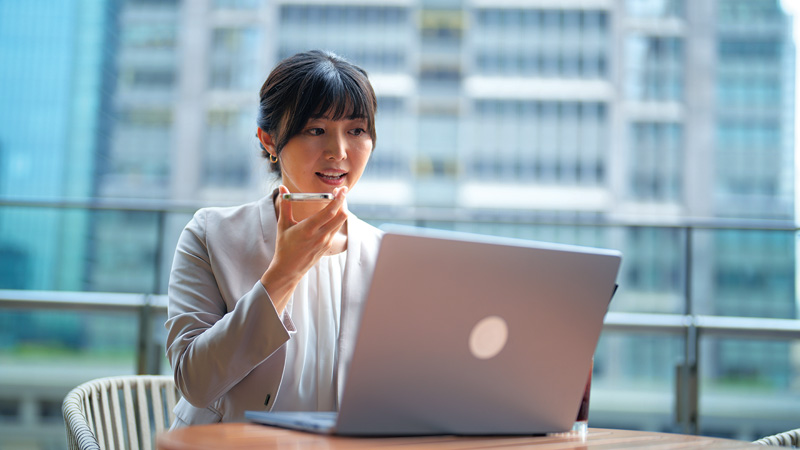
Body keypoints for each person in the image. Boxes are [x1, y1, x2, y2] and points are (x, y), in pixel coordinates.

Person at [165, 50, 383, 428]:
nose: (339, 152)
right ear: (268, 139)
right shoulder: (210, 235)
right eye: (316, 130)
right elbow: (195, 383)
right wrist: (282, 274)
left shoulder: (385, 255)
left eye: (357, 130)